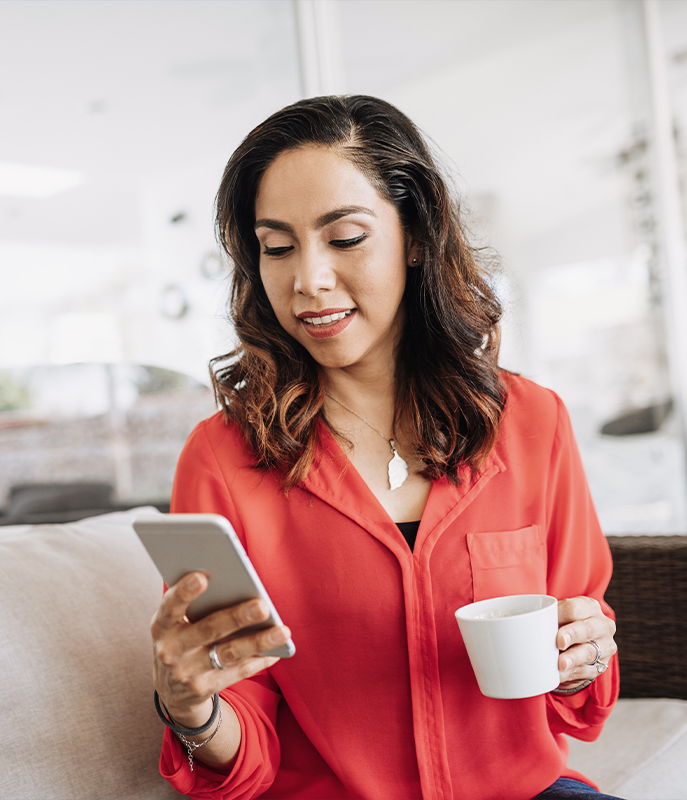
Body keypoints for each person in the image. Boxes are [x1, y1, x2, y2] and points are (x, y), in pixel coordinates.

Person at [150, 95, 619, 800]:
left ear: (417, 237)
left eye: (343, 239)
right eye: (276, 247)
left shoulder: (531, 422)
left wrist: (585, 654)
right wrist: (192, 711)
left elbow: (578, 691)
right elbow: (244, 748)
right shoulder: (222, 459)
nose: (307, 279)